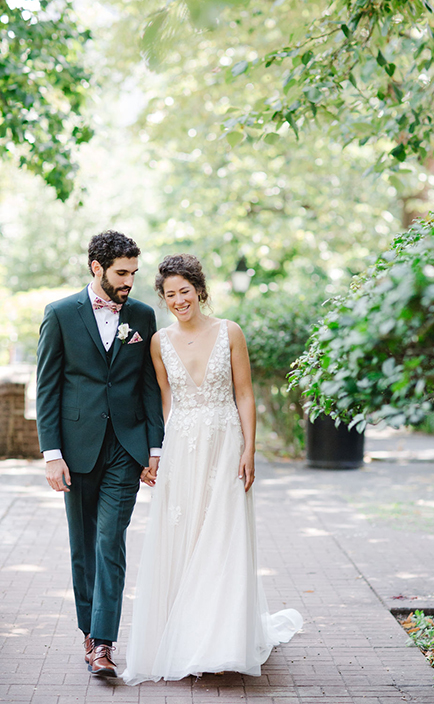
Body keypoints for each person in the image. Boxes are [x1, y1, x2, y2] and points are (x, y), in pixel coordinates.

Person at [122, 253, 302, 684]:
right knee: (185, 537)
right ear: (163, 300)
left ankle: (221, 641)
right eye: (170, 295)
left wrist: (250, 448)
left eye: (185, 291)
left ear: (198, 290)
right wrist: (157, 454)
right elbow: (165, 402)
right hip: (182, 446)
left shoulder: (229, 332)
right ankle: (184, 639)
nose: (179, 300)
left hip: (225, 444)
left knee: (223, 536)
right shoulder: (158, 342)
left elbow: (244, 394)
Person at [36, 230, 164, 679]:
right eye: (122, 273)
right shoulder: (59, 314)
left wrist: (154, 447)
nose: (129, 281)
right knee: (82, 545)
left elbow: (150, 384)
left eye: (134, 272)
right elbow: (48, 388)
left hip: (125, 450)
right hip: (76, 449)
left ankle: (104, 643)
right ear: (97, 268)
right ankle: (88, 633)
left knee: (111, 541)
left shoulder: (144, 316)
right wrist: (51, 452)